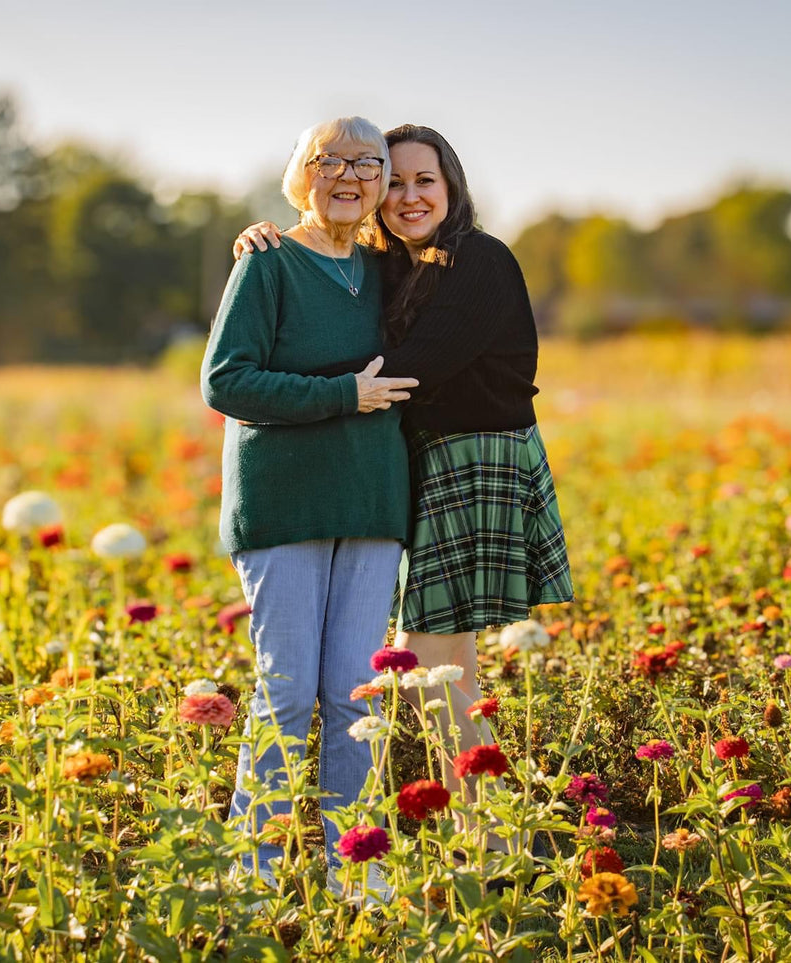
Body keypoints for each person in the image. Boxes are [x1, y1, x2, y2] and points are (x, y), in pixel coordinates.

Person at [235, 125, 574, 836]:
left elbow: (408, 368)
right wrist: (274, 234)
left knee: (424, 660)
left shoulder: (476, 259)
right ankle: (484, 833)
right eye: (396, 182)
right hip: (428, 463)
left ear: (452, 189)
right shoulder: (401, 265)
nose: (408, 195)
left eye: (426, 181)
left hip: (477, 459)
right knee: (451, 667)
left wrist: (277, 386)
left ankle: (482, 831)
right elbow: (330, 282)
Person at [201, 116, 419, 898]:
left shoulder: (387, 270)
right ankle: (250, 876)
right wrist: (343, 395)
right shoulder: (266, 262)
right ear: (304, 173)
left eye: (369, 162)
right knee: (286, 689)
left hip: (371, 504)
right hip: (284, 502)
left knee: (354, 695)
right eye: (331, 160)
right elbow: (226, 381)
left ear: (383, 183)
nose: (350, 175)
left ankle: (355, 871)